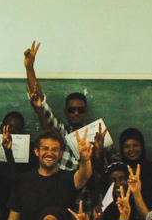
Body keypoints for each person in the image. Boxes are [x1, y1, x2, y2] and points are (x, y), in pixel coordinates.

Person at [22, 41, 108, 171]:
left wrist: (98, 152)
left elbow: (106, 172)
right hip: (60, 189)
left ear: (86, 112)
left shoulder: (97, 136)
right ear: (65, 111)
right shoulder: (60, 133)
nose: (76, 113)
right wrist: (29, 68)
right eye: (71, 110)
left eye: (80, 110)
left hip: (87, 190)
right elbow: (39, 98)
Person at [6, 130, 92, 220]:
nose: (50, 153)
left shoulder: (67, 179)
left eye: (55, 150)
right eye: (45, 148)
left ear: (60, 154)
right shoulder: (24, 180)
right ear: (37, 151)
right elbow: (14, 219)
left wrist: (84, 158)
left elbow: (85, 175)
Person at [118, 128, 152, 211]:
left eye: (135, 145)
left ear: (142, 146)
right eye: (127, 146)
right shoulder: (118, 171)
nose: (131, 149)